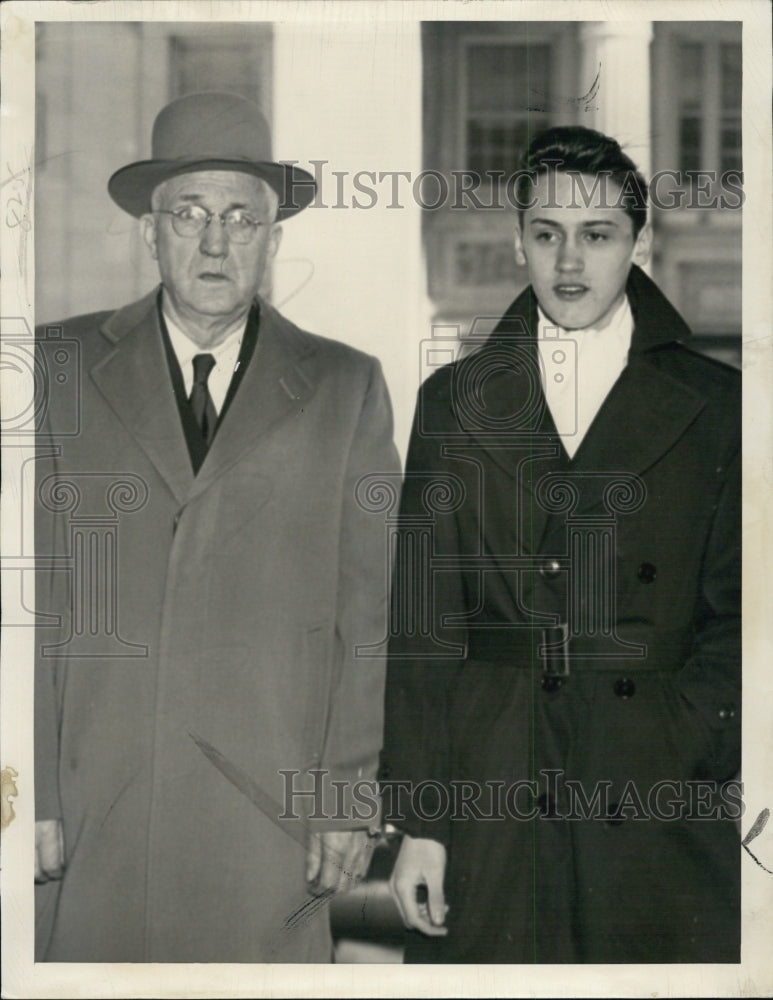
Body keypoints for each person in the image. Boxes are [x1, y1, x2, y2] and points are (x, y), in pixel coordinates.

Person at [34, 91, 399, 963]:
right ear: (147, 232)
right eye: (189, 214)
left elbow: (370, 618)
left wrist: (347, 801)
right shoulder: (55, 369)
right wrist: (29, 791)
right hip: (92, 811)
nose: (214, 241)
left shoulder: (346, 388)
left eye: (242, 218)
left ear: (274, 240)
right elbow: (28, 602)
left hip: (264, 822)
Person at [381, 126, 741, 963]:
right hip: (490, 781)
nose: (568, 261)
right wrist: (423, 825)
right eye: (546, 235)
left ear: (637, 244)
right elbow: (422, 625)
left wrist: (686, 742)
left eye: (596, 235)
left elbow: (740, 616)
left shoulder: (715, 406)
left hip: (654, 782)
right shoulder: (455, 399)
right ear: (518, 243)